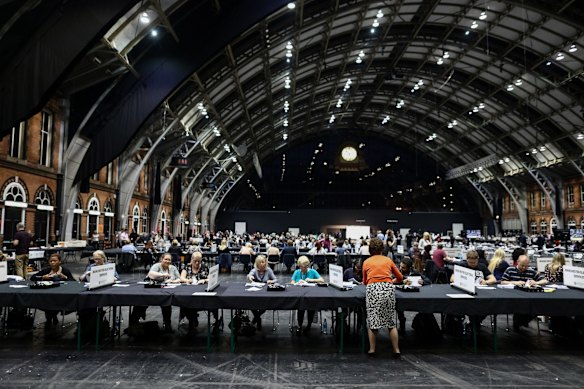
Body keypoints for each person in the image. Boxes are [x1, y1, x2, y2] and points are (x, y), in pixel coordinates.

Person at [362, 237, 403, 358]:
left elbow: (364, 281)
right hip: (387, 289)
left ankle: (372, 350)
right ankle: (396, 351)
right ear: (382, 249)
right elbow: (400, 277)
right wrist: (390, 281)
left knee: (373, 322)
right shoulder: (388, 260)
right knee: (391, 322)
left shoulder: (366, 262)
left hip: (373, 290)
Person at [129, 253, 181, 333]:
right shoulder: (157, 266)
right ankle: (133, 325)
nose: (167, 261)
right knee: (141, 303)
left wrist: (172, 281)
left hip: (166, 292)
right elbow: (151, 274)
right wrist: (163, 275)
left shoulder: (173, 268)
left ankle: (167, 324)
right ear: (161, 259)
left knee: (167, 304)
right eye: (166, 259)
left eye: (169, 259)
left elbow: (179, 278)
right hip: (151, 291)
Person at [501, 254, 548, 331]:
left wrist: (536, 283)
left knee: (537, 307)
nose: (524, 268)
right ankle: (519, 322)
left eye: (526, 266)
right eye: (522, 265)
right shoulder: (509, 270)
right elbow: (503, 282)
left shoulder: (531, 271)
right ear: (517, 262)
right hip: (514, 297)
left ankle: (522, 321)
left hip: (529, 297)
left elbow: (545, 280)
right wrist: (515, 282)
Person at [30, 253, 73, 329]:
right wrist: (42, 277)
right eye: (51, 261)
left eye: (55, 261)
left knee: (54, 301)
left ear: (59, 262)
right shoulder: (47, 270)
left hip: (61, 295)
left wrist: (64, 277)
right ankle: (51, 318)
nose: (52, 262)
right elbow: (33, 277)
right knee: (47, 300)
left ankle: (50, 318)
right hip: (47, 294)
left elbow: (73, 282)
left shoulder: (65, 270)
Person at [179, 252, 219, 332]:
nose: (197, 263)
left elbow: (211, 279)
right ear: (191, 260)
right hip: (189, 293)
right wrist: (187, 280)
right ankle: (192, 320)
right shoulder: (187, 267)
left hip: (203, 293)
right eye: (195, 261)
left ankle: (216, 321)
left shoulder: (204, 267)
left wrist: (204, 280)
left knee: (214, 301)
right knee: (185, 303)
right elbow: (181, 278)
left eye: (199, 261)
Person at [396, 256, 431, 333]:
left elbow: (428, 280)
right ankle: (402, 323)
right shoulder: (397, 272)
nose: (401, 269)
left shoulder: (415, 272)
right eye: (400, 266)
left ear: (409, 268)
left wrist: (423, 282)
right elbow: (390, 280)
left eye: (404, 268)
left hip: (414, 294)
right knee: (399, 305)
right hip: (401, 294)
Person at [291, 256, 324, 334]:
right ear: (299, 266)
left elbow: (322, 280)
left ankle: (309, 324)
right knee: (300, 307)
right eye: (303, 267)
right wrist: (297, 283)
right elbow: (292, 282)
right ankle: (299, 325)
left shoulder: (312, 271)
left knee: (310, 307)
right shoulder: (297, 272)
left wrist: (311, 280)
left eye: (306, 266)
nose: (305, 268)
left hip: (311, 294)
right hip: (299, 294)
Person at [247, 255, 277, 330]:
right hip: (255, 292)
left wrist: (271, 281)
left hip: (266, 292)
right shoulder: (254, 270)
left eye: (263, 262)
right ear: (257, 264)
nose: (262, 265)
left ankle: (254, 321)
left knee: (264, 306)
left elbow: (275, 279)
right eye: (260, 263)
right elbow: (249, 275)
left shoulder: (269, 270)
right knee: (250, 304)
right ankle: (258, 319)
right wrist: (250, 277)